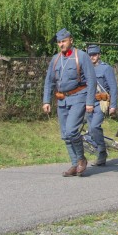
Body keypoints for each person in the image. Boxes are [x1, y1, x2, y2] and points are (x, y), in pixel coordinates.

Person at [42, 28, 96, 177]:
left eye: (63, 41)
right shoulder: (56, 59)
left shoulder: (82, 56)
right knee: (65, 135)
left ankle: (81, 159)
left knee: (72, 130)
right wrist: (46, 100)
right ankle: (74, 164)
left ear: (71, 40)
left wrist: (90, 102)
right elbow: (49, 81)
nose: (61, 44)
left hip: (79, 97)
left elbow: (92, 80)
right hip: (62, 100)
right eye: (59, 42)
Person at [86, 44, 118, 166]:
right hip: (88, 103)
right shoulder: (86, 69)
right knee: (90, 130)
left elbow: (113, 88)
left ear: (99, 55)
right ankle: (100, 150)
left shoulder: (106, 68)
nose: (92, 57)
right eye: (90, 55)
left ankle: (102, 151)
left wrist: (113, 105)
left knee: (94, 126)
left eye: (94, 55)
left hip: (101, 103)